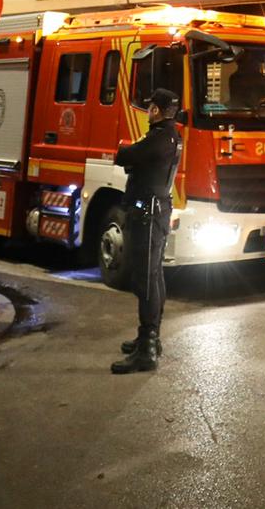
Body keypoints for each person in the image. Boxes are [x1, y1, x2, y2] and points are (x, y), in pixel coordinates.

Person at [110, 88, 182, 374]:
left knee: (146, 277)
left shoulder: (158, 138)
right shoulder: (172, 135)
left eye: (150, 106)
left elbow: (124, 155)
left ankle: (147, 348)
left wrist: (124, 150)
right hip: (157, 211)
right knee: (154, 274)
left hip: (147, 215)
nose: (148, 111)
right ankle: (149, 338)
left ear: (155, 110)